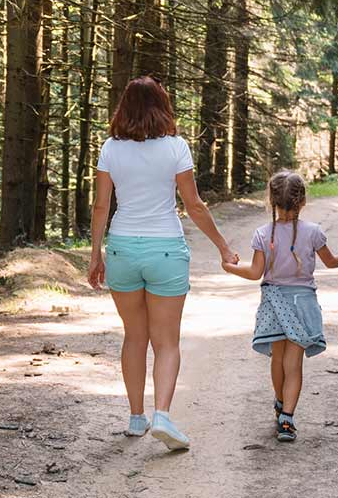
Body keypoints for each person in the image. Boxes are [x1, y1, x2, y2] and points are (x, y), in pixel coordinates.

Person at [87, 76, 237, 451]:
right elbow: (194, 205)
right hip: (166, 250)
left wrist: (95, 255)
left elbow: (101, 206)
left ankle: (136, 417)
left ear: (124, 108)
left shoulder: (110, 149)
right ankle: (163, 415)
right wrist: (222, 246)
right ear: (162, 106)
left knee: (135, 337)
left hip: (122, 249)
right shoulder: (176, 147)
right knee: (166, 341)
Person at [222, 170, 338, 442]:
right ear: (302, 201)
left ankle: (280, 401)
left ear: (271, 200)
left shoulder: (263, 234)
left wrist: (229, 267)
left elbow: (254, 273)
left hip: (273, 303)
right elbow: (331, 262)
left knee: (277, 361)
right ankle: (287, 419)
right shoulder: (314, 232)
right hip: (302, 304)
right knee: (293, 365)